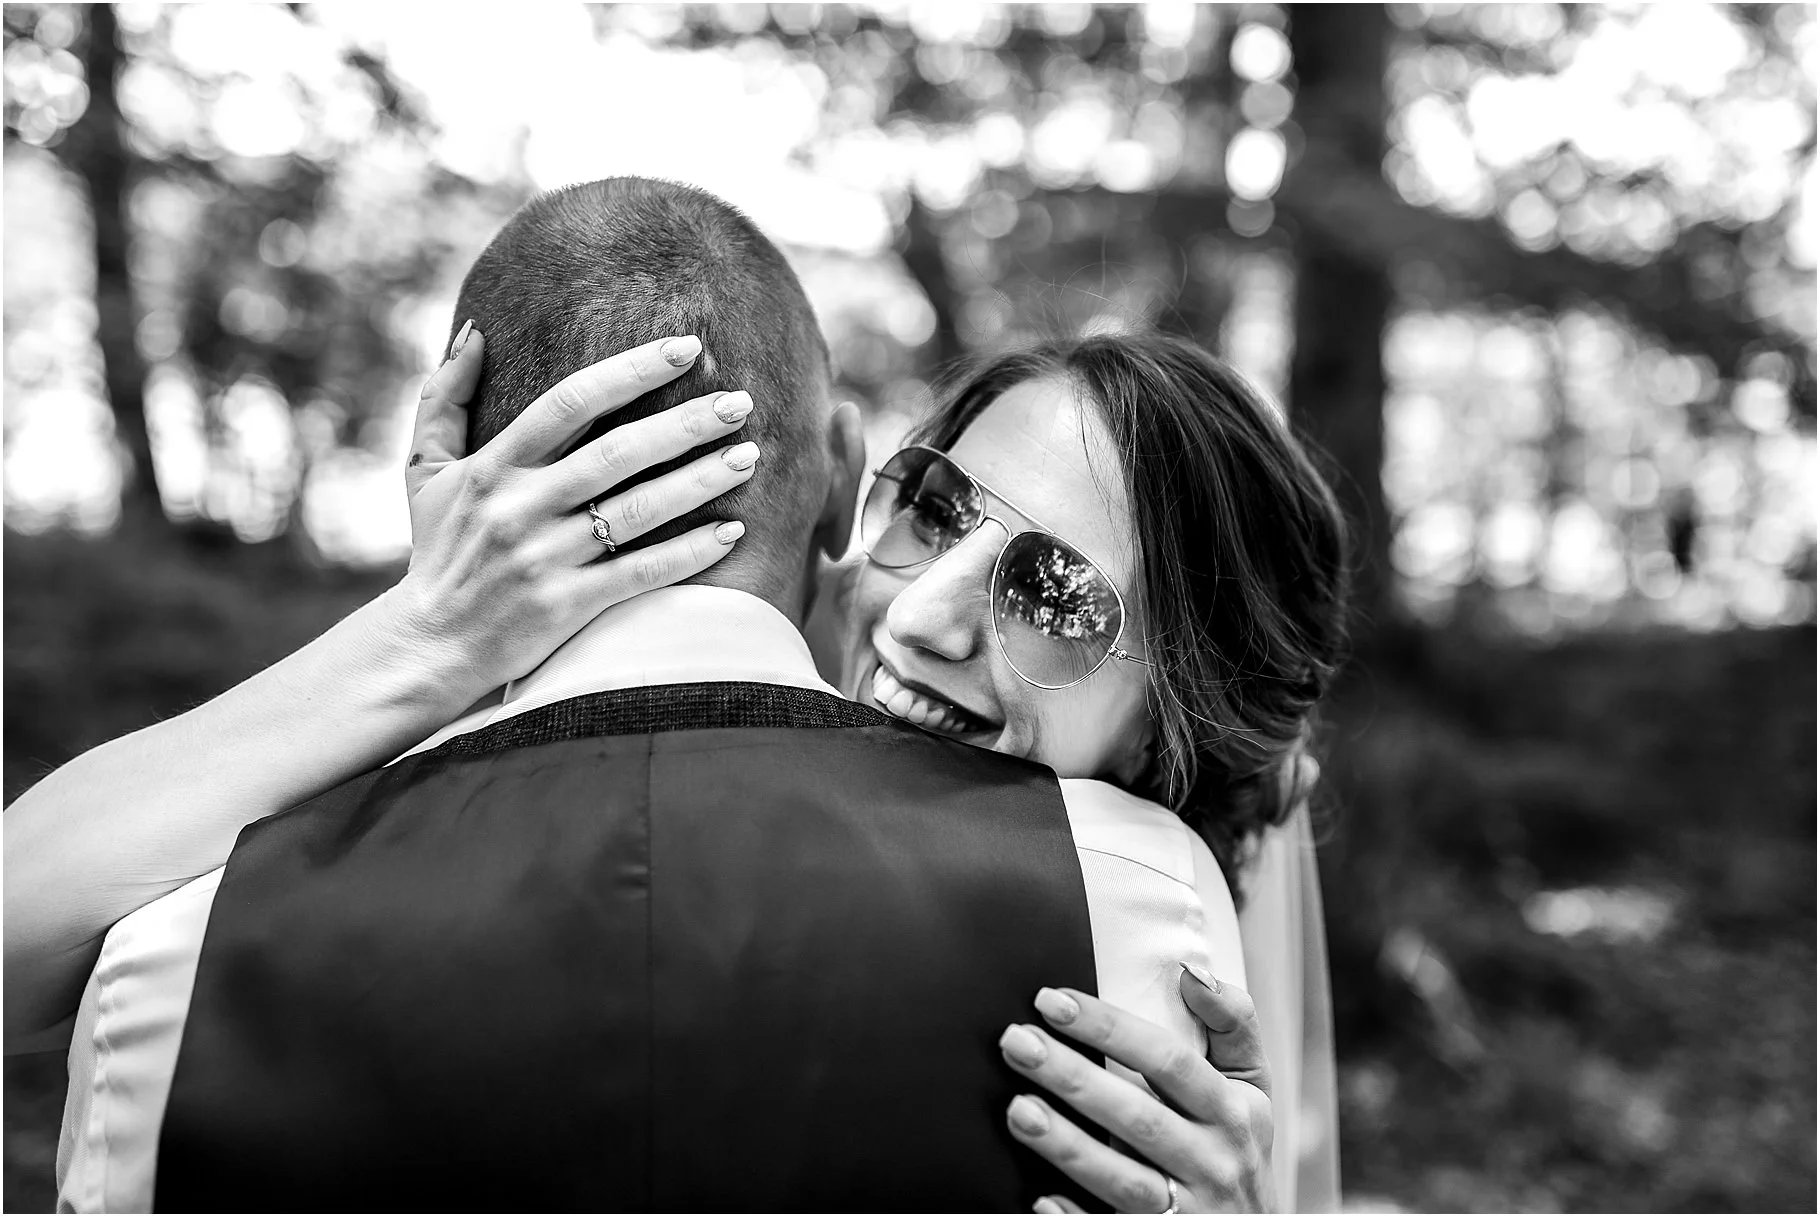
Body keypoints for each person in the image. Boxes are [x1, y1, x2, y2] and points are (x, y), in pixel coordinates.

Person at [17, 177, 1295, 1213]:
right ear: (850, 479)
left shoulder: (187, 948)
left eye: (1056, 596)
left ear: (1189, 700)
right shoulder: (1135, 909)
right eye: (934, 506)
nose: (917, 614)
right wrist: (428, 629)